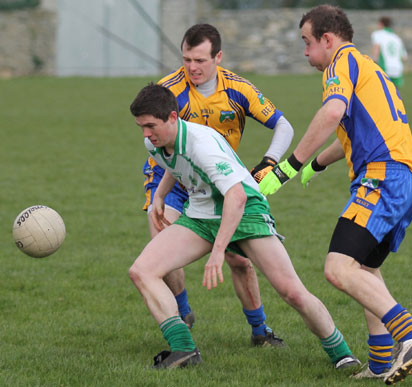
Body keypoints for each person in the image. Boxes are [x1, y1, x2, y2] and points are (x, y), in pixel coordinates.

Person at [258, 5, 412, 385]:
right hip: (407, 180)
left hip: (383, 177)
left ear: (328, 39)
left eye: (307, 43)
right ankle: (380, 361)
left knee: (338, 269)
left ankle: (411, 335)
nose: (306, 53)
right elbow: (350, 133)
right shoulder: (371, 69)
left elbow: (331, 112)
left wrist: (287, 168)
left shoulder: (341, 62)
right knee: (365, 270)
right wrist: (316, 165)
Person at [129, 83, 360, 369]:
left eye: (151, 126)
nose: (146, 134)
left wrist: (218, 251)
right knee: (142, 271)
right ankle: (183, 350)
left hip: (245, 209)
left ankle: (342, 353)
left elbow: (236, 197)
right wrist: (160, 195)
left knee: (291, 291)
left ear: (173, 118)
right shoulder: (155, 141)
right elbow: (174, 164)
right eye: (141, 127)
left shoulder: (202, 144)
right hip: (202, 215)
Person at [141, 23, 296, 346]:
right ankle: (183, 311)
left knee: (240, 260)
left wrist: (270, 161)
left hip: (218, 182)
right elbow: (154, 134)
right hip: (173, 178)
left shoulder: (238, 89)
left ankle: (259, 330)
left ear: (218, 57)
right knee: (161, 241)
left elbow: (283, 125)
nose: (192, 68)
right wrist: (159, 193)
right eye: (187, 60)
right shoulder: (170, 90)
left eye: (200, 60)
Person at [371, 16, 407, 88]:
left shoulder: (377, 34)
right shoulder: (396, 38)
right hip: (397, 69)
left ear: (380, 24)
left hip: (385, 69)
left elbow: (376, 50)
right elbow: (404, 57)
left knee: (383, 94)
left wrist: (373, 62)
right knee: (395, 95)